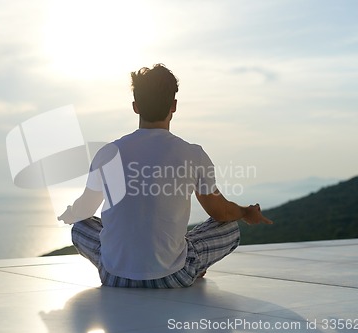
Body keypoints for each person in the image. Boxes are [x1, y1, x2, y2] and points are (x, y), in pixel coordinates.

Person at [58, 64, 273, 288]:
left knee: (79, 226)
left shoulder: (107, 154)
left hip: (114, 276)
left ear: (136, 107)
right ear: (174, 106)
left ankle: (129, 263)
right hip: (172, 278)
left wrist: (71, 213)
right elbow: (220, 212)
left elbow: (84, 211)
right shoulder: (193, 154)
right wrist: (246, 212)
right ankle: (191, 265)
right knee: (229, 227)